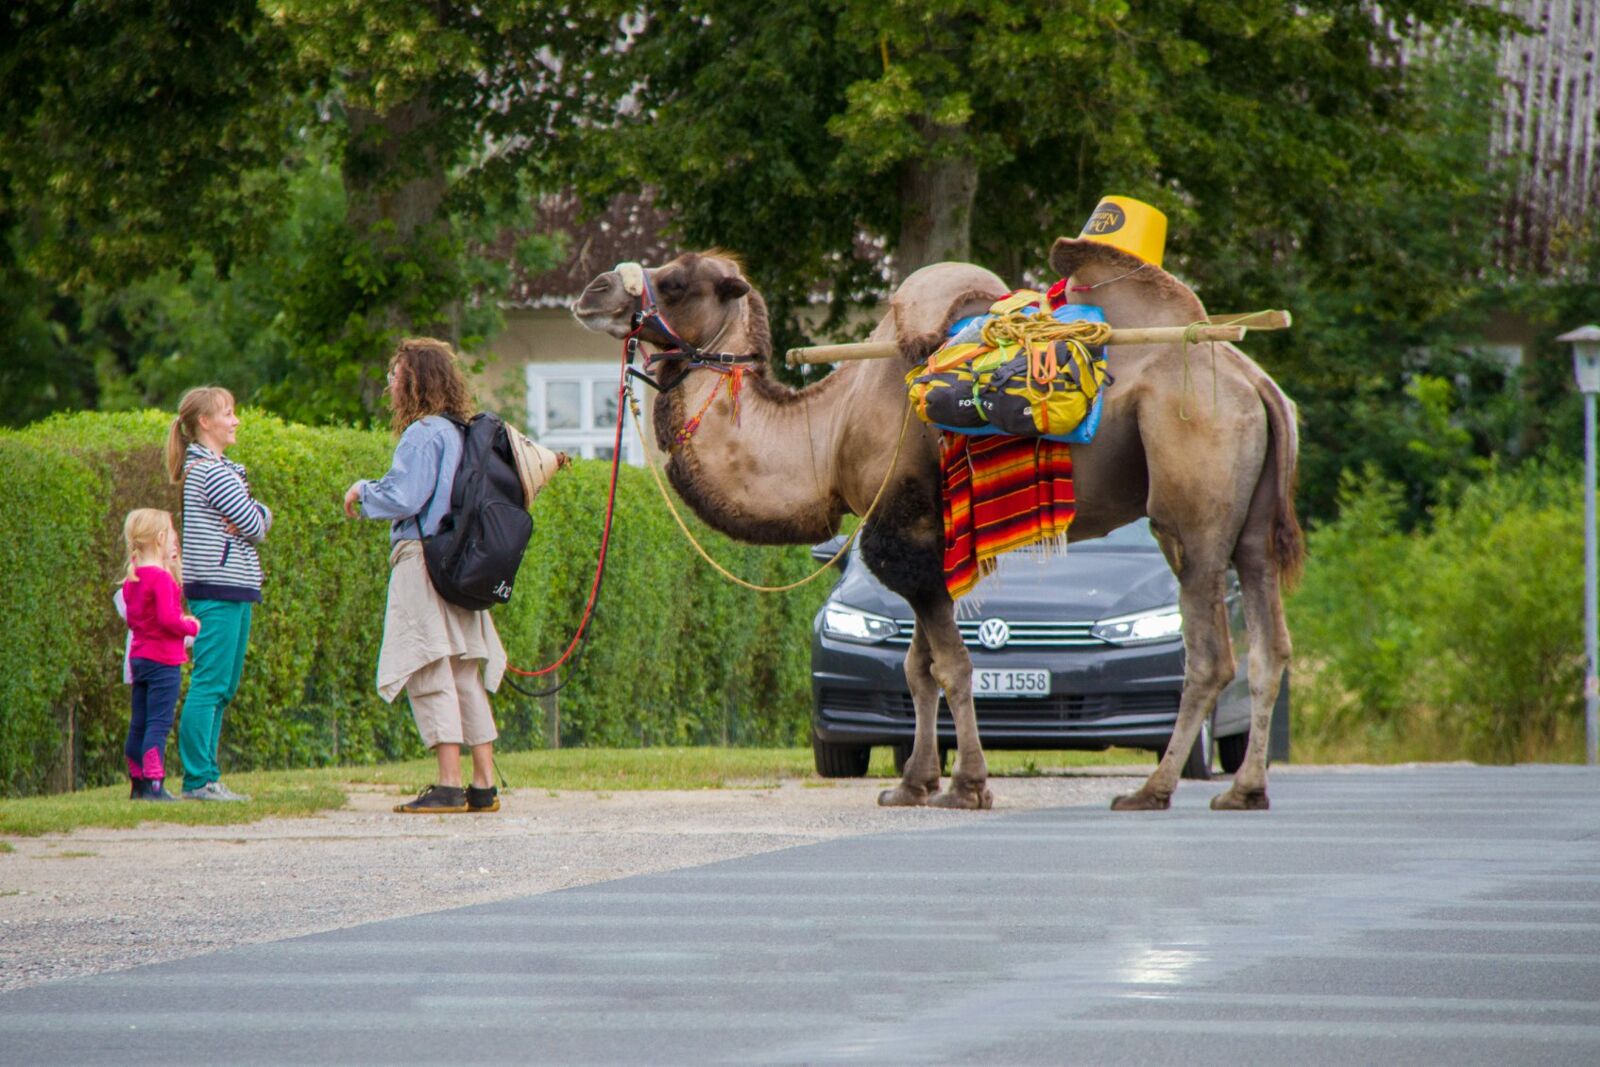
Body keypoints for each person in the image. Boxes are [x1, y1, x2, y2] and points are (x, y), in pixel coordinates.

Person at [344, 337, 507, 815]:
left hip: (422, 558)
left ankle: (448, 784)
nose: (389, 386)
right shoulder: (464, 431)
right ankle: (483, 784)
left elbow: (404, 496)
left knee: (429, 664)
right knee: (464, 670)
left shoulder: (423, 433)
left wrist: (362, 491)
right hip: (460, 562)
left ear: (416, 380)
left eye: (395, 376)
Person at [166, 386, 272, 803]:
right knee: (210, 684)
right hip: (219, 588)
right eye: (228, 414)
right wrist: (256, 515)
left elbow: (254, 518)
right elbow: (257, 523)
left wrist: (255, 514)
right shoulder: (210, 472)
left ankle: (208, 776)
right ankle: (198, 780)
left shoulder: (219, 469)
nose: (236, 421)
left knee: (223, 686)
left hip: (236, 588)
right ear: (205, 423)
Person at [119, 509, 200, 802]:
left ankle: (137, 782)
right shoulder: (162, 580)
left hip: (139, 658)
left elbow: (133, 618)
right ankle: (155, 783)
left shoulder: (133, 579)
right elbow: (168, 619)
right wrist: (191, 625)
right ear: (161, 539)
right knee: (159, 722)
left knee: (139, 720)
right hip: (163, 660)